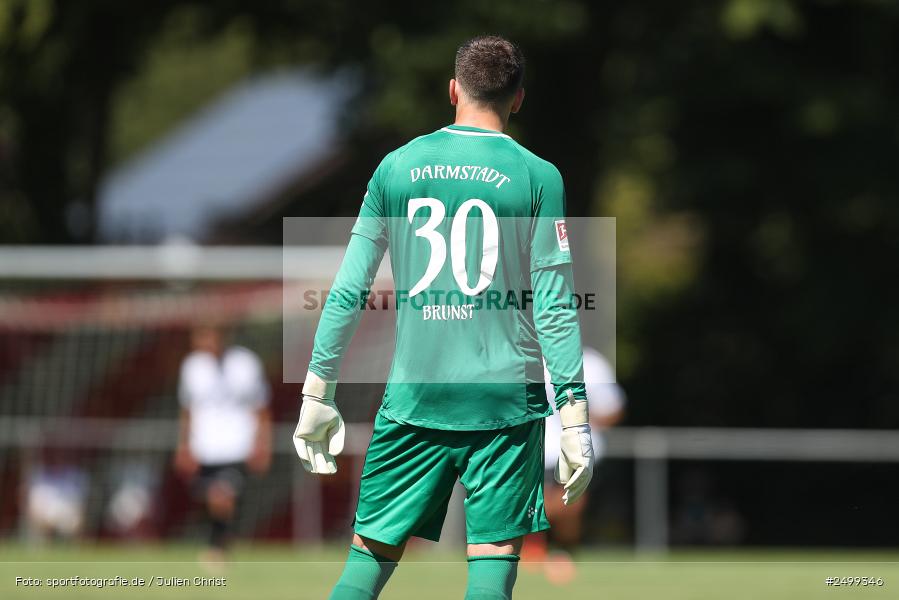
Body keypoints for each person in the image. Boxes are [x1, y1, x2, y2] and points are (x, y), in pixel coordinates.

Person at [293, 35, 594, 600]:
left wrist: (317, 390)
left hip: (415, 398)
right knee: (493, 560)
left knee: (368, 560)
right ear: (519, 99)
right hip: (505, 402)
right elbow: (555, 302)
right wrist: (574, 415)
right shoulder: (539, 176)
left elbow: (350, 286)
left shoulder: (397, 167)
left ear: (453, 90)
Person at [522, 347, 625, 581]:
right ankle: (538, 547)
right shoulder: (525, 358)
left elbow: (612, 408)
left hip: (578, 449)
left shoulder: (591, 363)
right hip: (536, 449)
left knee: (567, 505)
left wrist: (581, 418)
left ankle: (556, 549)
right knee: (547, 502)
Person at [174, 322, 272, 565]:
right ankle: (222, 540)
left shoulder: (246, 363)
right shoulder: (191, 367)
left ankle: (217, 548)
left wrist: (262, 443)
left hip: (237, 445)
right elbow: (187, 410)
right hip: (205, 448)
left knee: (222, 495)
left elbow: (261, 408)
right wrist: (184, 445)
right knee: (212, 499)